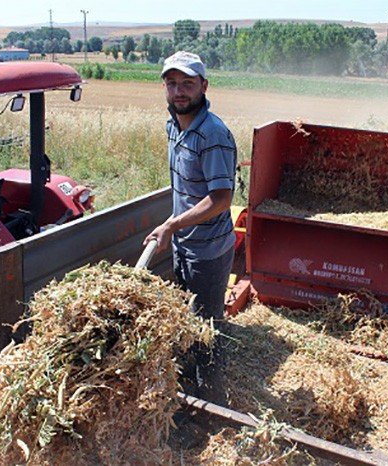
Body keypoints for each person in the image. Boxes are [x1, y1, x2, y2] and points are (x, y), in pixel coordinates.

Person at [144, 51, 236, 398]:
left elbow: (221, 199)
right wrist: (173, 226)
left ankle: (214, 399)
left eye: (187, 84)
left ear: (204, 86)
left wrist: (172, 225)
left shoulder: (212, 134)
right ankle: (192, 384)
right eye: (172, 84)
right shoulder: (174, 127)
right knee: (189, 319)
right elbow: (187, 189)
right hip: (186, 243)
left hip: (208, 251)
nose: (179, 91)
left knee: (207, 328)